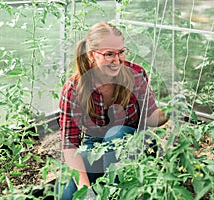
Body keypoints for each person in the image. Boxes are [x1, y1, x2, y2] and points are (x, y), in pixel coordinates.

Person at [57, 22, 169, 199]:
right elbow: (70, 145)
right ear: (92, 55)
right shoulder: (74, 89)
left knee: (116, 133)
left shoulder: (135, 75)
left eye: (121, 52)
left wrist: (171, 110)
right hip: (95, 146)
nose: (117, 60)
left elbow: (150, 118)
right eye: (109, 54)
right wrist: (86, 191)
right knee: (68, 193)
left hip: (136, 145)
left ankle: (118, 194)